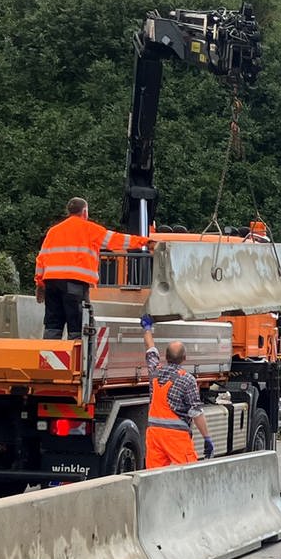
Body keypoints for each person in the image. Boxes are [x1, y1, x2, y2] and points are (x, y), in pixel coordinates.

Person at [34, 197, 150, 340]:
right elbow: (117, 240)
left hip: (51, 283)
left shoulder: (53, 231)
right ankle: (76, 359)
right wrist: (144, 241)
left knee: (53, 324)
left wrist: (40, 284)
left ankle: (49, 357)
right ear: (84, 212)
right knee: (76, 326)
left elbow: (41, 258)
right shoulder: (90, 229)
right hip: (74, 283)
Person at [140, 317, 213, 468]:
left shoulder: (154, 372)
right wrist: (207, 438)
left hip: (154, 435)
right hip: (176, 437)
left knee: (154, 477)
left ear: (166, 357)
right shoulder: (187, 380)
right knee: (188, 476)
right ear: (184, 358)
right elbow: (196, 413)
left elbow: (151, 350)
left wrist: (147, 328)